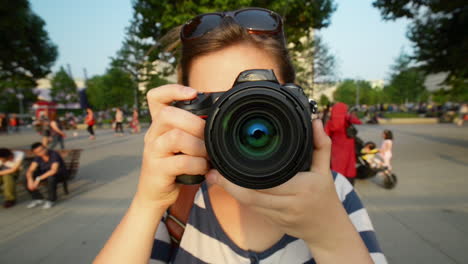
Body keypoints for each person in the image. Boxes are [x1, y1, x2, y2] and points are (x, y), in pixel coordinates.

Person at [95, 8, 385, 264]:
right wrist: (146, 204)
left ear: (298, 103)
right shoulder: (177, 203)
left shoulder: (332, 194)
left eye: (261, 101)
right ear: (182, 112)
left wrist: (328, 234)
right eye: (217, 106)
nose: (241, 128)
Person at [325, 102, 362, 185]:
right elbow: (358, 122)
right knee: (348, 168)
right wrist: (349, 116)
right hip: (348, 150)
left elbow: (325, 136)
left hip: (336, 150)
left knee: (337, 168)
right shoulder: (347, 119)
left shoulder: (330, 123)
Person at [25, 142, 67, 209]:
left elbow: (53, 170)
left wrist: (37, 179)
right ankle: (38, 198)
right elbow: (30, 170)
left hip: (59, 174)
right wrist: (30, 180)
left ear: (45, 148)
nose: (42, 152)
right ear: (35, 153)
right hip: (45, 173)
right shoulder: (38, 157)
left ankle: (51, 200)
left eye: (42, 149)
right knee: (27, 177)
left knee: (51, 177)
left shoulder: (54, 154)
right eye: (38, 152)